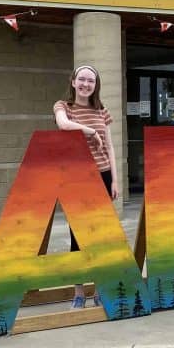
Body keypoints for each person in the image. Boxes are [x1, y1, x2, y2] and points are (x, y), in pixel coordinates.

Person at [53, 64, 119, 308]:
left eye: (91, 81)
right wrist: (91, 131)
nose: (86, 84)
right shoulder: (63, 107)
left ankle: (99, 288)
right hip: (77, 177)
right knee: (77, 236)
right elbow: (63, 124)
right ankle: (79, 291)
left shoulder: (102, 110)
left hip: (102, 175)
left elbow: (110, 147)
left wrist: (114, 179)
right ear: (73, 81)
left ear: (95, 85)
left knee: (100, 234)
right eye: (82, 79)